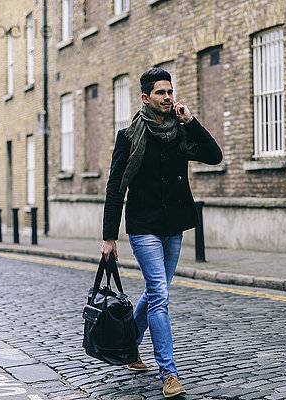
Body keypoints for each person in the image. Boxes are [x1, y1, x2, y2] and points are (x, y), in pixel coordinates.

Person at [100, 67, 222, 398]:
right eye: (160, 93)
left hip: (174, 226)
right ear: (145, 98)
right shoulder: (128, 137)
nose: (167, 97)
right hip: (143, 225)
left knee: (157, 291)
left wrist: (191, 121)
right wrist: (108, 236)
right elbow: (115, 189)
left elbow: (214, 156)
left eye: (170, 92)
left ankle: (129, 346)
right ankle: (169, 374)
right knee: (160, 294)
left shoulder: (180, 132)